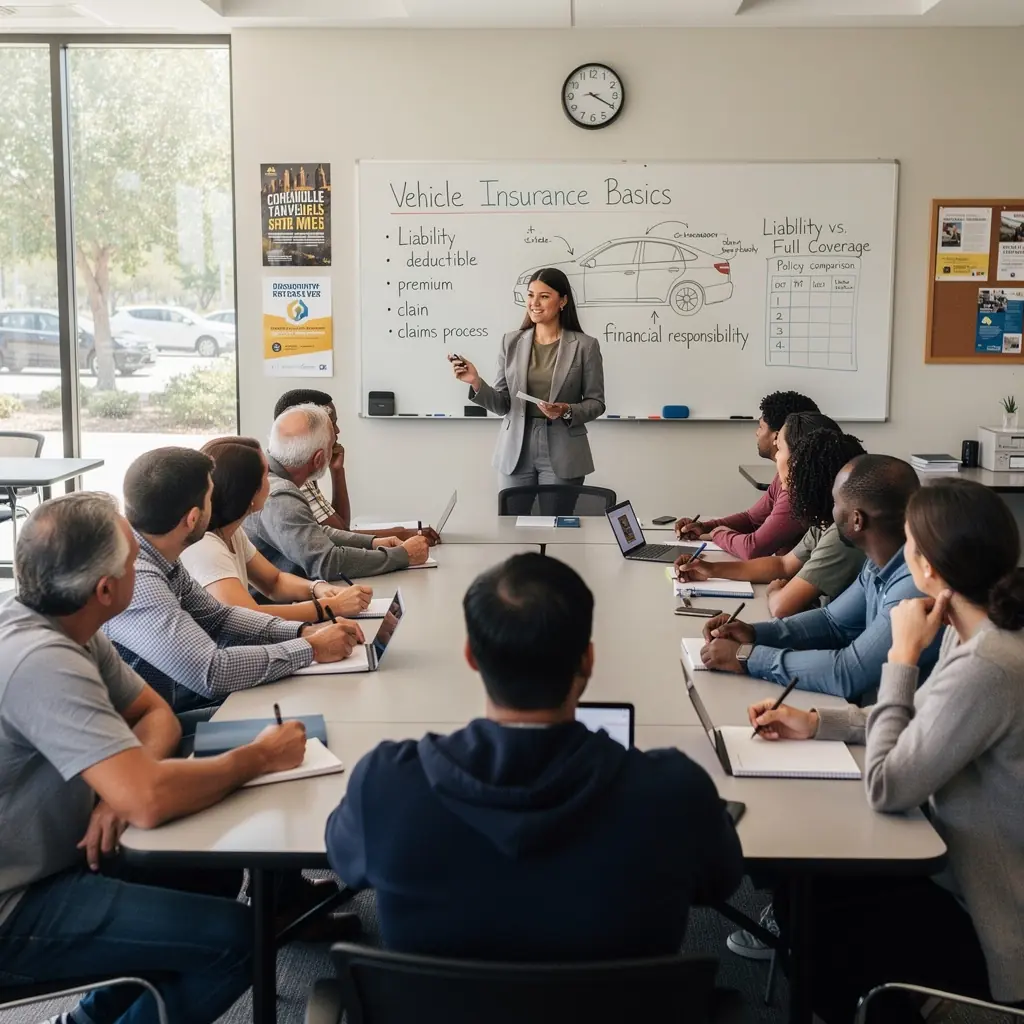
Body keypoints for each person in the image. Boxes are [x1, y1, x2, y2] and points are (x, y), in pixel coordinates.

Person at [325, 552, 742, 959]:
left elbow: (344, 860)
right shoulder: (674, 793)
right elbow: (719, 881)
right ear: (588, 660)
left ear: (471, 656)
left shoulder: (386, 785)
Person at [0, 492, 309, 1024]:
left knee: (210, 872)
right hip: (17, 901)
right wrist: (255, 759)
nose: (140, 567)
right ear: (106, 589)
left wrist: (116, 795)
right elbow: (147, 800)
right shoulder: (41, 659)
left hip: (60, 854)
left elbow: (156, 714)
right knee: (238, 942)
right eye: (131, 561)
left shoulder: (63, 619)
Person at [746, 478, 1024, 1021]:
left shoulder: (988, 664)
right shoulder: (976, 628)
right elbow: (925, 720)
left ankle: (927, 1008)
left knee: (816, 911)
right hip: (953, 872)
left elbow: (887, 785)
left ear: (928, 567)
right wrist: (819, 722)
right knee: (808, 894)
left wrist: (900, 657)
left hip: (989, 921)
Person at [104, 446, 362, 716]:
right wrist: (311, 648)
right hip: (142, 736)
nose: (215, 503)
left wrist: (303, 632)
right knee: (302, 719)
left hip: (163, 714)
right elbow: (212, 672)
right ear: (193, 518)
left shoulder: (163, 557)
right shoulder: (140, 579)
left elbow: (220, 618)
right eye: (209, 497)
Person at [699, 454, 943, 700]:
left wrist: (748, 657)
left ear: (857, 520)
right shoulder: (878, 562)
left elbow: (848, 671)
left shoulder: (915, 586)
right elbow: (832, 623)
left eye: (836, 502)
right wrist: (755, 634)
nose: (832, 509)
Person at [676, 412, 866, 618]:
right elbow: (782, 564)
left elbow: (781, 607)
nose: (776, 455)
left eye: (780, 449)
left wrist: (775, 591)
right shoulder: (821, 520)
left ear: (799, 462)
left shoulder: (839, 533)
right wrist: (710, 569)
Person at [451, 269, 606, 513]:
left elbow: (596, 403)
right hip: (516, 449)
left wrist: (566, 410)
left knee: (555, 530)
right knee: (511, 530)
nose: (534, 303)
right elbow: (502, 404)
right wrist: (475, 381)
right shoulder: (510, 342)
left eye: (544, 296)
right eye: (531, 295)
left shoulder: (585, 346)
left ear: (563, 301)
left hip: (563, 448)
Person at [180, 436, 374, 621]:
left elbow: (275, 582)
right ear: (248, 492)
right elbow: (248, 617)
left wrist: (318, 588)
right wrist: (332, 607)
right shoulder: (206, 547)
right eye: (266, 474)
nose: (272, 480)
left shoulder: (232, 532)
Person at [245, 404, 431, 579]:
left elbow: (316, 533)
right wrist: (402, 556)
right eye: (331, 445)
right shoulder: (281, 496)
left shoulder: (270, 479)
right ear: (318, 458)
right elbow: (326, 563)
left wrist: (373, 543)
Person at [272, 388, 439, 544]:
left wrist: (337, 471)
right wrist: (401, 535)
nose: (337, 431)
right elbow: (340, 535)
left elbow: (340, 528)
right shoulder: (292, 476)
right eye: (331, 424)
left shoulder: (303, 471)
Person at [675, 391, 819, 558]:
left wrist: (717, 533)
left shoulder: (798, 488)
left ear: (778, 436)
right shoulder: (785, 476)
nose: (756, 433)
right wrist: (703, 527)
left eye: (761, 427)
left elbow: (752, 548)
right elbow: (752, 519)